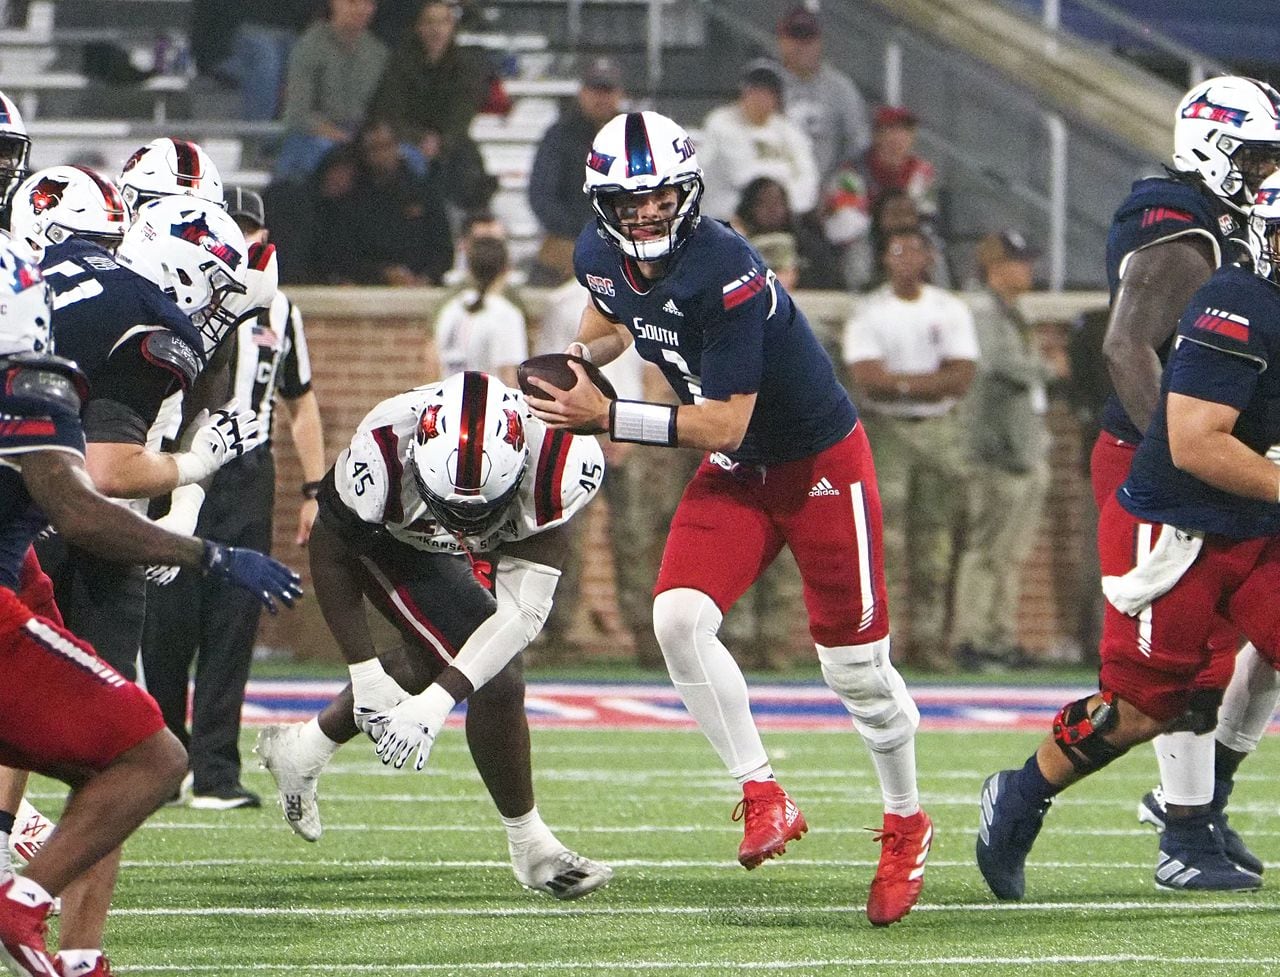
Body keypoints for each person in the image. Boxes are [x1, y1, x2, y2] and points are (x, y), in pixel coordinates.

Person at [527, 110, 933, 927]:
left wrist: (604, 416)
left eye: (660, 198)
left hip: (816, 462)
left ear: (689, 192)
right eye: (628, 202)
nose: (645, 216)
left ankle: (905, 820)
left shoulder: (727, 267)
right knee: (676, 617)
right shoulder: (596, 253)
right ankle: (762, 790)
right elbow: (609, 321)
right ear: (602, 204)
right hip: (742, 471)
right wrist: (578, 364)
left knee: (856, 673)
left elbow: (723, 424)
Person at [0, 231, 300, 977]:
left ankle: (65, 936)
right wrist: (209, 552)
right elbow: (80, 504)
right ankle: (24, 899)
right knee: (154, 754)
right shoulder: (35, 371)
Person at [976, 171, 1280, 901]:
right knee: (1146, 706)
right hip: (1179, 522)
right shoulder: (1237, 305)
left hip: (1256, 519)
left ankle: (1196, 810)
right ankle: (1020, 793)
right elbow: (1195, 443)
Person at [255, 371, 614, 900]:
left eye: (479, 510)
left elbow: (522, 615)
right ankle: (532, 849)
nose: (465, 527)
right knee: (495, 678)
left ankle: (302, 749)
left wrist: (435, 704)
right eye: (452, 508)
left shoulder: (559, 460)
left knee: (453, 660)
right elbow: (330, 549)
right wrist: (365, 671)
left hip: (460, 533)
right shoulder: (383, 446)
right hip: (397, 542)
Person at [1089, 76, 1280, 888]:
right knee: (1181, 664)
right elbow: (1126, 347)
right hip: (1173, 458)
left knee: (1266, 640)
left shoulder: (1231, 218)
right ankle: (1184, 827)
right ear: (1215, 145)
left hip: (1229, 453)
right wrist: (1169, 465)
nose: (1268, 172)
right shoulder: (1179, 227)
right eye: (1259, 156)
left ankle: (1209, 797)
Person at [140, 186, 326, 811]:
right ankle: (161, 759)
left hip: (247, 470)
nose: (245, 242)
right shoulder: (177, 297)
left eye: (252, 231)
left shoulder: (280, 311)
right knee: (166, 616)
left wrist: (313, 486)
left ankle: (216, 769)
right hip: (176, 462)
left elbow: (299, 401)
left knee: (234, 618)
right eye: (234, 228)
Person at [842, 226, 978, 671]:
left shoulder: (949, 307)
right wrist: (923, 382)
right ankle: (882, 640)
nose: (905, 260)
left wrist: (901, 382)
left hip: (939, 428)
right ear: (884, 258)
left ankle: (929, 641)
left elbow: (961, 375)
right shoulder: (870, 311)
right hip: (888, 431)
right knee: (884, 541)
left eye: (914, 251)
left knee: (937, 542)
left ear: (928, 258)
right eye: (896, 251)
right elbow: (866, 376)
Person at [951, 230, 1056, 670]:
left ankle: (999, 636)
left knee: (1009, 553)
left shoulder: (1011, 311)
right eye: (1018, 262)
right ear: (995, 267)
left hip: (1020, 447)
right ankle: (972, 638)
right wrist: (1047, 368)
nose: (1027, 269)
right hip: (995, 449)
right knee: (986, 550)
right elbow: (997, 363)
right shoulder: (982, 311)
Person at [370, 0, 499, 212]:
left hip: (448, 141)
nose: (436, 29)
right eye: (429, 22)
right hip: (406, 139)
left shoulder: (464, 68)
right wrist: (419, 139)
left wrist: (441, 142)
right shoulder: (399, 63)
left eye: (443, 22)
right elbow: (390, 112)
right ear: (418, 27)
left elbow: (462, 115)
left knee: (466, 164)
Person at [311, 119, 454, 285]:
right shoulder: (351, 199)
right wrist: (382, 274)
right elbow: (340, 256)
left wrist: (426, 277)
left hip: (420, 286)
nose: (382, 155)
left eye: (387, 146)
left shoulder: (423, 192)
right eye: (374, 149)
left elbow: (443, 250)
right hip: (368, 289)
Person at [526, 57, 625, 286]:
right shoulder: (559, 136)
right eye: (594, 90)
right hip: (567, 239)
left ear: (619, 94)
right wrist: (582, 234)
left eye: (607, 91)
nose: (601, 98)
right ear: (582, 92)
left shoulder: (632, 137)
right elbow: (541, 196)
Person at [275, 0, 388, 183]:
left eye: (368, 3)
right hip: (315, 135)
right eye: (353, 2)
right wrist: (342, 137)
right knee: (328, 156)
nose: (362, 9)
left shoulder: (378, 53)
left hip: (361, 136)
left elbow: (383, 110)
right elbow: (298, 113)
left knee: (408, 156)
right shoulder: (309, 47)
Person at [696, 60, 819, 222]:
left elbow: (808, 178)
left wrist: (786, 207)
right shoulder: (721, 123)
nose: (761, 98)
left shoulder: (790, 131)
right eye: (755, 91)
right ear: (743, 93)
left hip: (784, 218)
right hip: (730, 220)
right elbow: (744, 177)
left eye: (767, 92)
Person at [774, 4, 871, 187]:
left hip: (827, 189)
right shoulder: (768, 81)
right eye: (795, 37)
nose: (802, 45)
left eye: (808, 38)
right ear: (781, 41)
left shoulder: (840, 88)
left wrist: (833, 187)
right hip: (774, 190)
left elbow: (857, 147)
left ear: (819, 42)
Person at [732, 175, 844, 290]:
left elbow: (831, 280)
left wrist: (798, 277)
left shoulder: (806, 245)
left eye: (777, 202)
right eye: (763, 202)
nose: (772, 209)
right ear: (749, 207)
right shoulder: (737, 247)